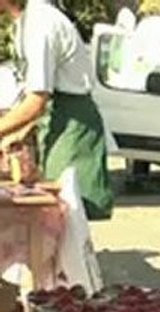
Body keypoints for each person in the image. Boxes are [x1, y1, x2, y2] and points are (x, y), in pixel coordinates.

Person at [0, 0, 113, 220]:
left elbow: (37, 101)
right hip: (55, 118)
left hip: (72, 125)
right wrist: (18, 132)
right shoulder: (23, 22)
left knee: (67, 211)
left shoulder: (41, 24)